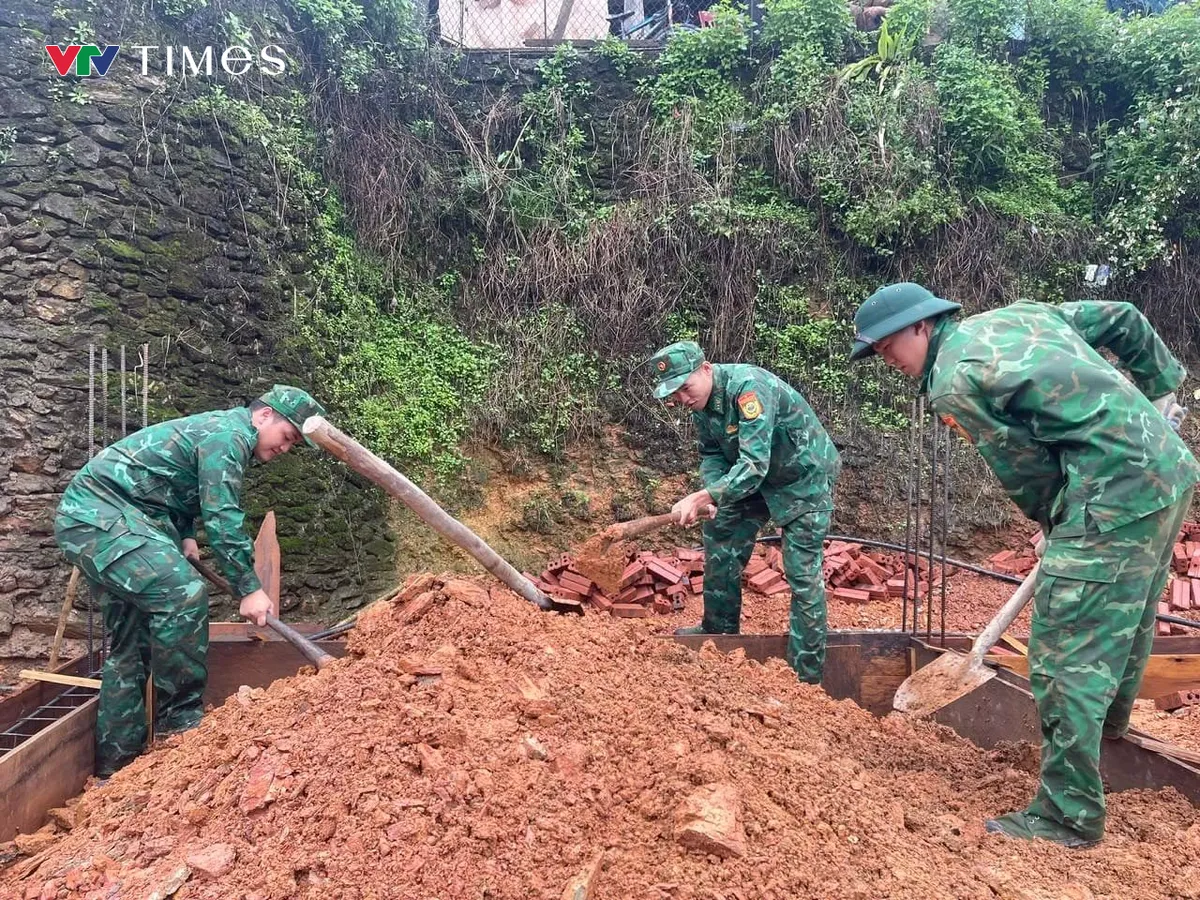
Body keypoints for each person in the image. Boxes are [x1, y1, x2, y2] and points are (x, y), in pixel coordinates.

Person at [851, 282, 1198, 848]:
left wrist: (1053, 523)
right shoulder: (1019, 316)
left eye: (888, 345)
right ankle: (1107, 736)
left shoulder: (953, 380)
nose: (886, 360)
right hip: (1168, 475)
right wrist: (1161, 393)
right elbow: (1123, 318)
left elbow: (1024, 469)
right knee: (1127, 616)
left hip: (1111, 494)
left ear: (922, 325)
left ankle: (1067, 816)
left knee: (1063, 651)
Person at [54, 385, 326, 776]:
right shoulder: (229, 436)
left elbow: (174, 486)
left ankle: (115, 770)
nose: (286, 448)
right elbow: (223, 517)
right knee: (182, 595)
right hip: (100, 516)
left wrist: (183, 533)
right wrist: (249, 588)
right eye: (287, 437)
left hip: (117, 519)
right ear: (264, 416)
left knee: (132, 645)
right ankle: (179, 725)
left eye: (294, 444)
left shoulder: (219, 432)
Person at [649, 341, 841, 684]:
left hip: (801, 479)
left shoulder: (749, 389)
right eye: (674, 393)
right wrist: (711, 496)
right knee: (720, 530)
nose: (682, 398)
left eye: (685, 387)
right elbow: (712, 454)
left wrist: (703, 495)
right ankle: (719, 633)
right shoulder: (703, 404)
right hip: (755, 480)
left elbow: (753, 464)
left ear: (706, 369)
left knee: (801, 574)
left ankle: (805, 677)